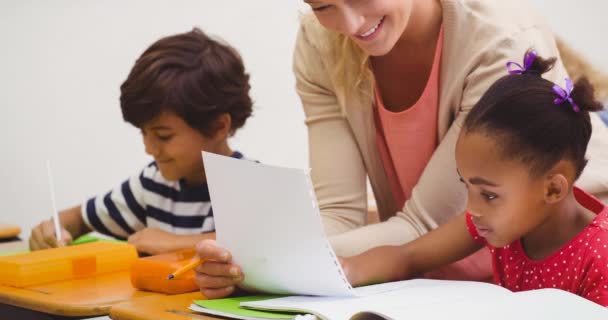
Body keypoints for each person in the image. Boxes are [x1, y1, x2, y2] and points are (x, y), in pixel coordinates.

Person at [193, 0, 608, 299]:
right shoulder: (484, 216)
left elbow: (420, 225)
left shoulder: (501, 39)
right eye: (322, 6)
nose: (350, 24)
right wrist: (270, 264)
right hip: (437, 293)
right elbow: (383, 241)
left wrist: (265, 258)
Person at [340, 51, 608, 306]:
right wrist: (346, 269)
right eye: (466, 186)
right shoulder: (505, 219)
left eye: (488, 195)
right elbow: (408, 256)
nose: (473, 208)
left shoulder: (600, 258)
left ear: (552, 189)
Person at [29, 27, 254, 255]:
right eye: (143, 133)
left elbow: (258, 247)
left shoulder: (252, 186)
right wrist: (56, 228)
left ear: (218, 126)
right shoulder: (151, 184)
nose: (149, 148)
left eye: (163, 135)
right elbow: (80, 218)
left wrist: (173, 243)